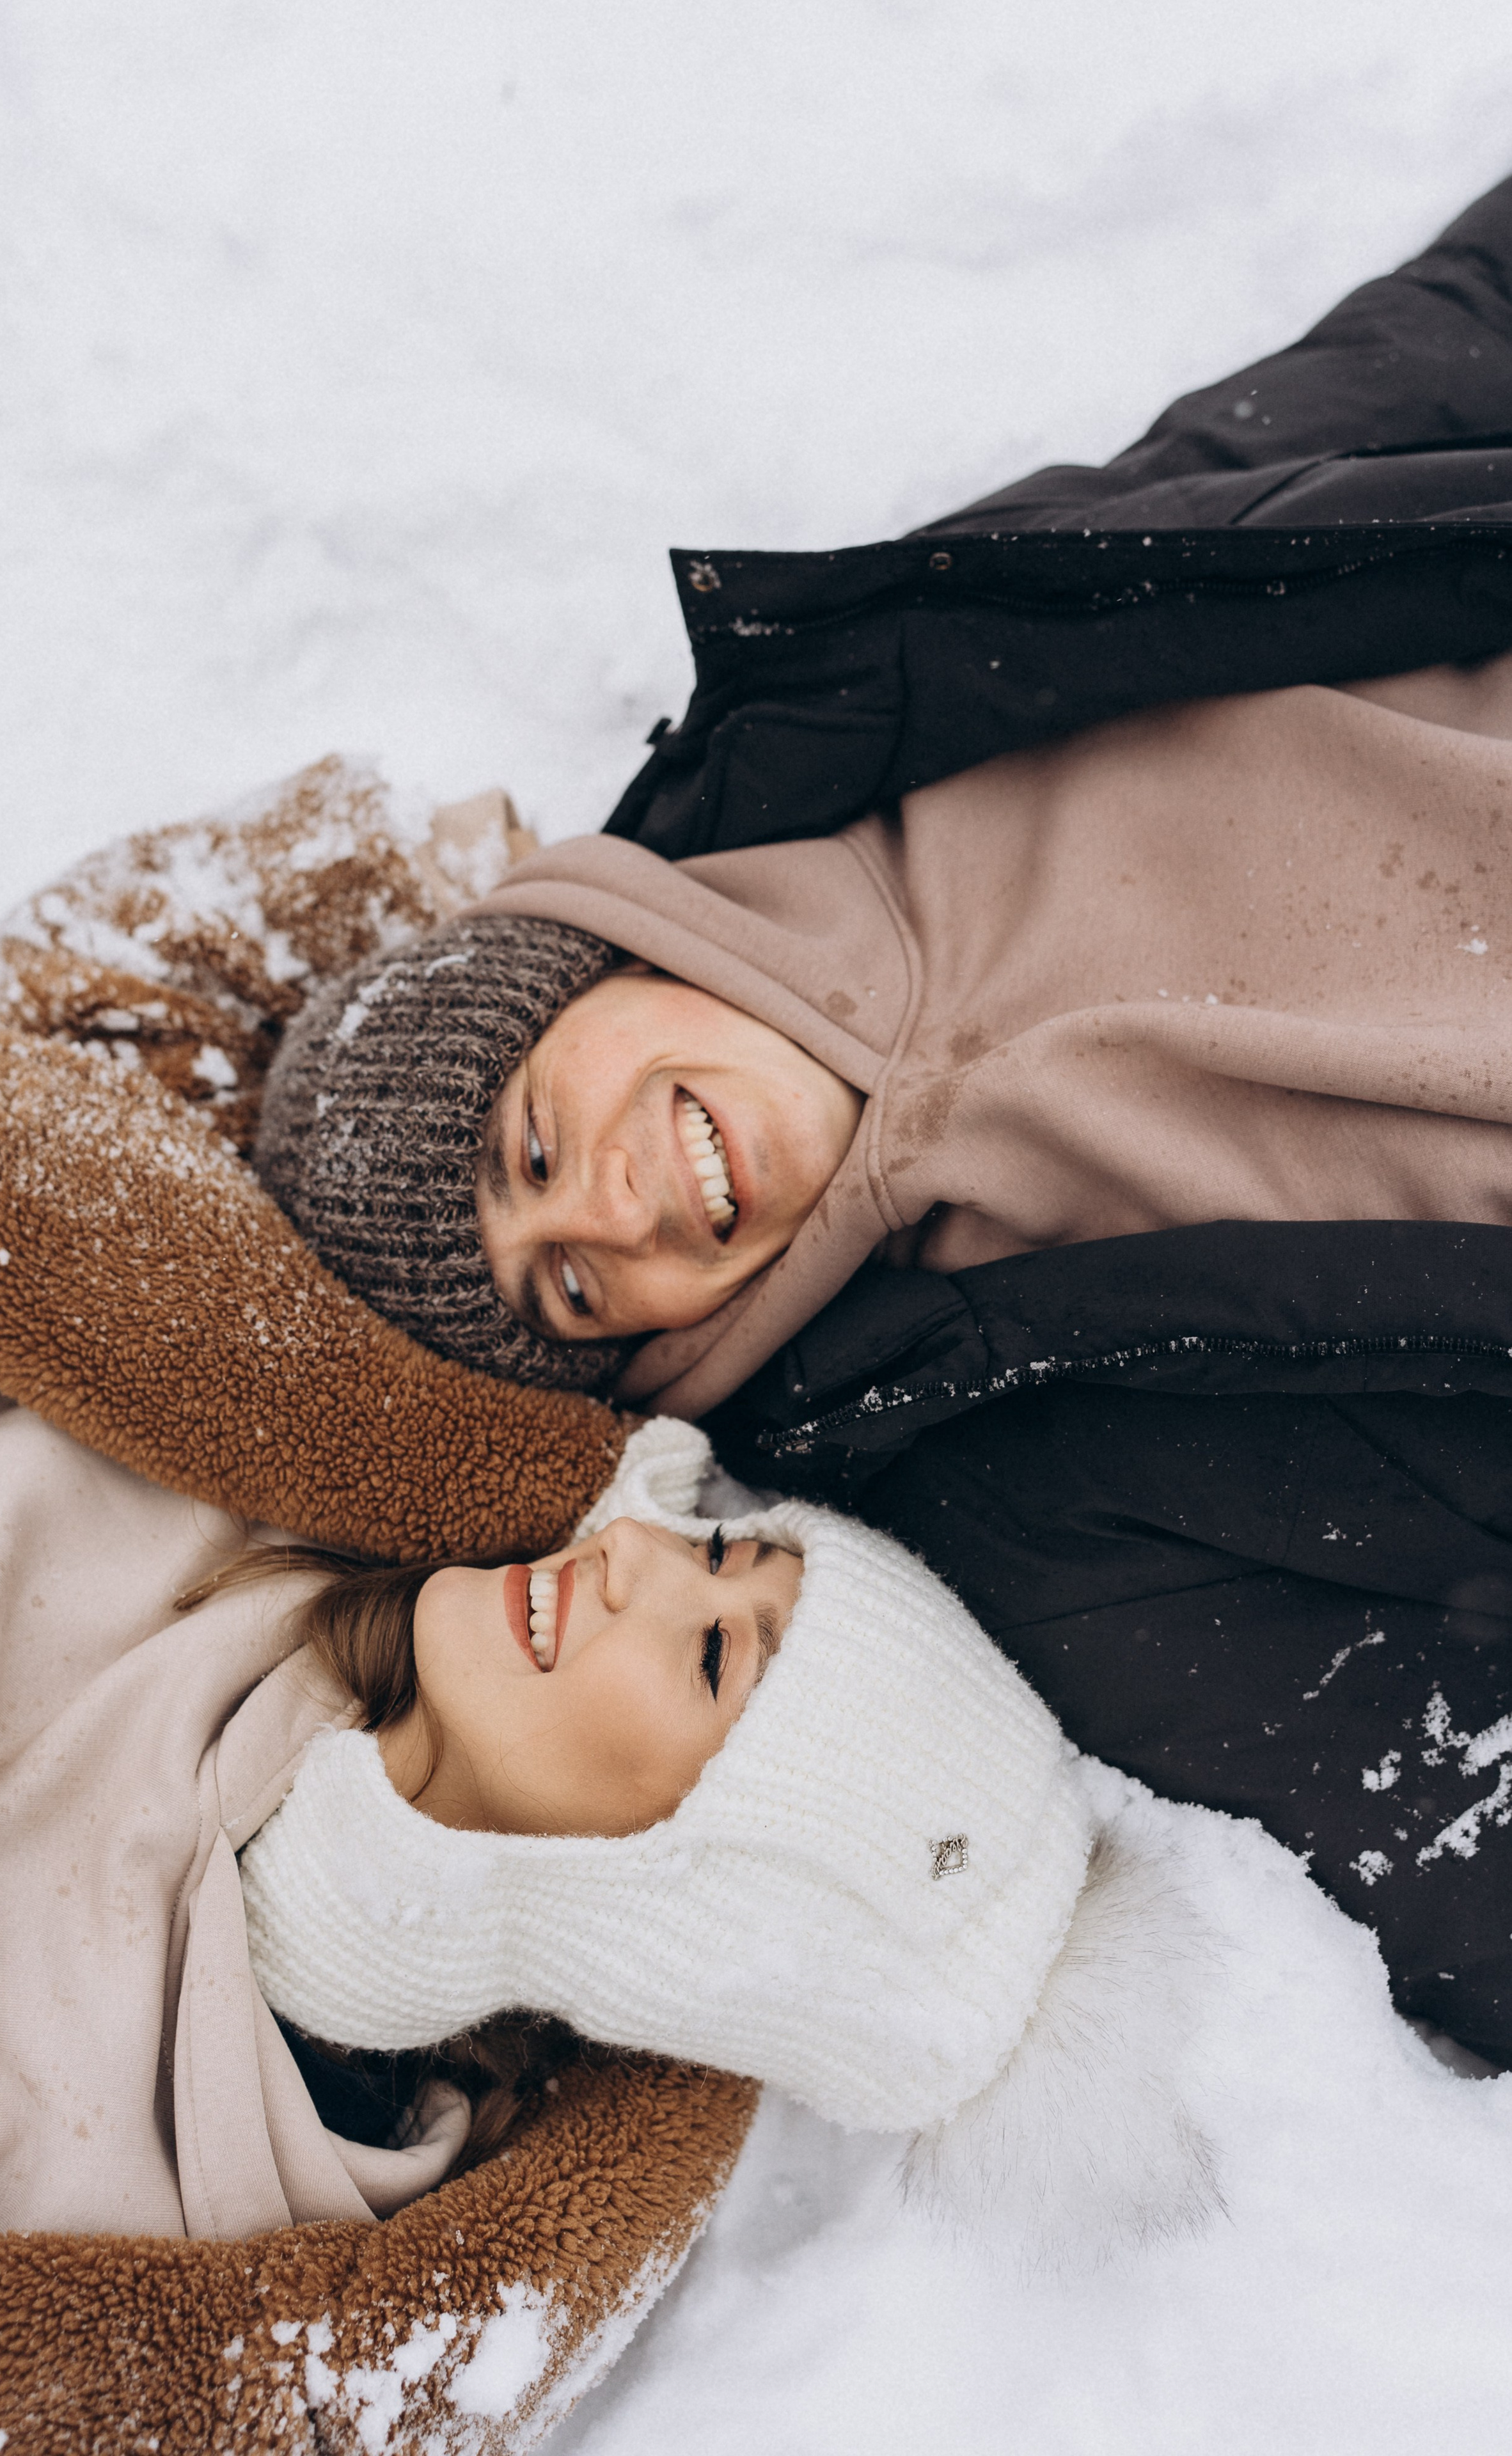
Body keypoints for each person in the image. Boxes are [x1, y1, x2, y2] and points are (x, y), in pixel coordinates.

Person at [250, 172, 1512, 2066]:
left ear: (582, 960)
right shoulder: (1005, 1477)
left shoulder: (922, 671)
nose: (605, 1223)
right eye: (571, 1298)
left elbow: (1397, 375)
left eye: (524, 1150)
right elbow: (1452, 1830)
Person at [0, 1336, 1202, 2252]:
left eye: (707, 1656)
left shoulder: (159, 2190)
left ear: (666, 1894)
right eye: (721, 1548)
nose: (634, 1553)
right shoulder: (241, 1455)